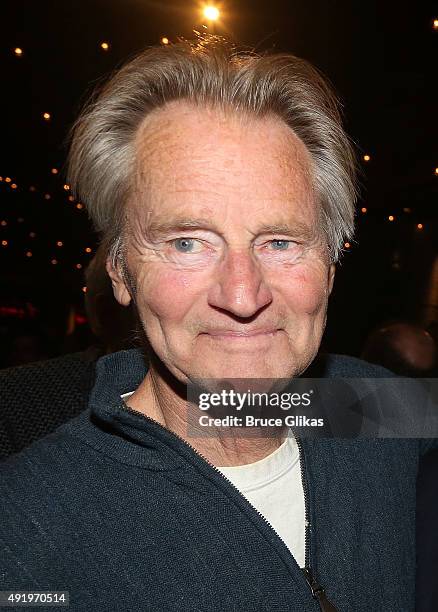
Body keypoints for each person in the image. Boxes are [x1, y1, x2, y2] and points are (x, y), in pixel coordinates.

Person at [0, 37, 435, 611]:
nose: (241, 293)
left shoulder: (375, 407)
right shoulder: (28, 527)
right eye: (186, 243)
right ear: (121, 273)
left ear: (329, 268)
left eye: (280, 242)